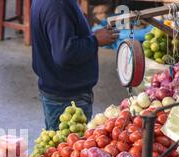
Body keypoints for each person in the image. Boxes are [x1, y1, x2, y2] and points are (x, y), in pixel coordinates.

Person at [31, 0, 119, 130]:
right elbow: (64, 54)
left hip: (60, 92)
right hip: (67, 100)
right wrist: (95, 40)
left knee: (59, 147)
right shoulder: (58, 6)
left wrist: (90, 35)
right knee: (66, 147)